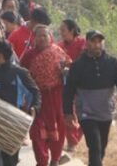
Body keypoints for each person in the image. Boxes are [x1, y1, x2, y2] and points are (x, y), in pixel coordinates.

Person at [63, 30, 117, 166]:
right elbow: (69, 89)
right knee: (94, 145)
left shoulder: (113, 63)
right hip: (86, 112)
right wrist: (67, 112)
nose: (97, 45)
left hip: (105, 111)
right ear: (86, 43)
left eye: (99, 42)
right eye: (93, 42)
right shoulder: (78, 66)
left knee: (102, 146)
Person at [20, 25, 72, 166]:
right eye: (39, 36)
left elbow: (69, 68)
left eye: (45, 35)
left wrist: (65, 72)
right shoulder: (28, 56)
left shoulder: (58, 51)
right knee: (37, 132)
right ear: (34, 38)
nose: (42, 38)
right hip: (37, 98)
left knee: (58, 130)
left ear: (50, 37)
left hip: (56, 97)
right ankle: (41, 161)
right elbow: (22, 76)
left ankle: (55, 159)